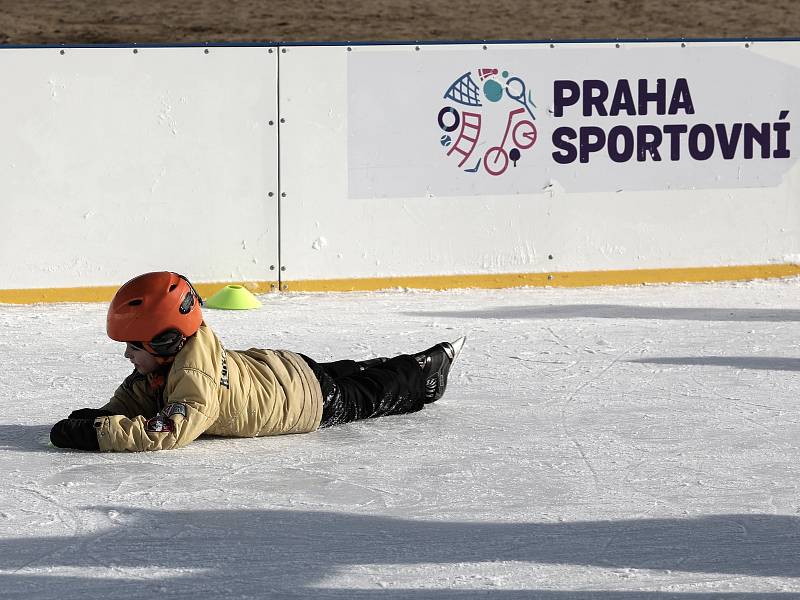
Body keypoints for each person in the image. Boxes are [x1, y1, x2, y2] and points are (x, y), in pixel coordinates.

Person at [50, 271, 465, 452]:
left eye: (134, 346)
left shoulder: (193, 375)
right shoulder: (176, 358)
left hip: (302, 403)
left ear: (166, 340)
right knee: (348, 371)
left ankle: (425, 374)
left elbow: (169, 431)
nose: (127, 355)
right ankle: (397, 362)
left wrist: (100, 434)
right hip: (281, 368)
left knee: (373, 392)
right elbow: (139, 396)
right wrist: (103, 415)